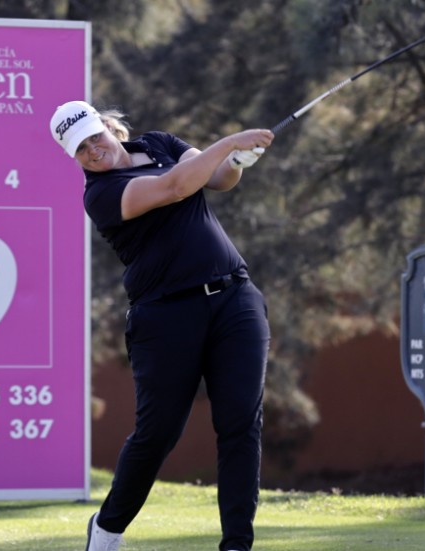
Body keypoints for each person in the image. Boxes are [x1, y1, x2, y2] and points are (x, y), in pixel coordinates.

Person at [49, 100, 274, 551]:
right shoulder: (100, 194)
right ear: (74, 158)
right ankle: (108, 527)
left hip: (234, 297)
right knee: (159, 432)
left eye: (95, 137)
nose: (94, 151)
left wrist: (236, 160)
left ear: (107, 127)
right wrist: (229, 141)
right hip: (166, 315)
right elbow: (173, 188)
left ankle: (236, 545)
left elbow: (217, 179)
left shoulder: (158, 143)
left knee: (240, 424)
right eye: (81, 150)